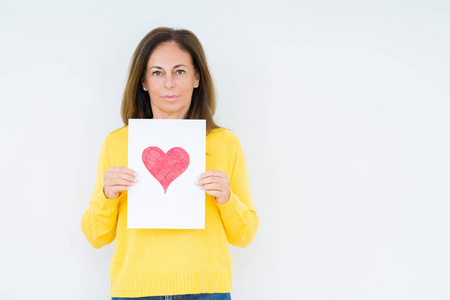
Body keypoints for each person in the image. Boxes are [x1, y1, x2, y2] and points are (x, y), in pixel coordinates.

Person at [81, 27, 259, 300]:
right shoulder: (116, 143)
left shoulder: (225, 143)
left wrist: (227, 199)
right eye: (157, 73)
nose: (168, 83)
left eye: (179, 71)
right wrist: (107, 196)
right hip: (134, 291)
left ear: (197, 77)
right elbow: (96, 237)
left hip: (205, 291)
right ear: (143, 82)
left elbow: (244, 236)